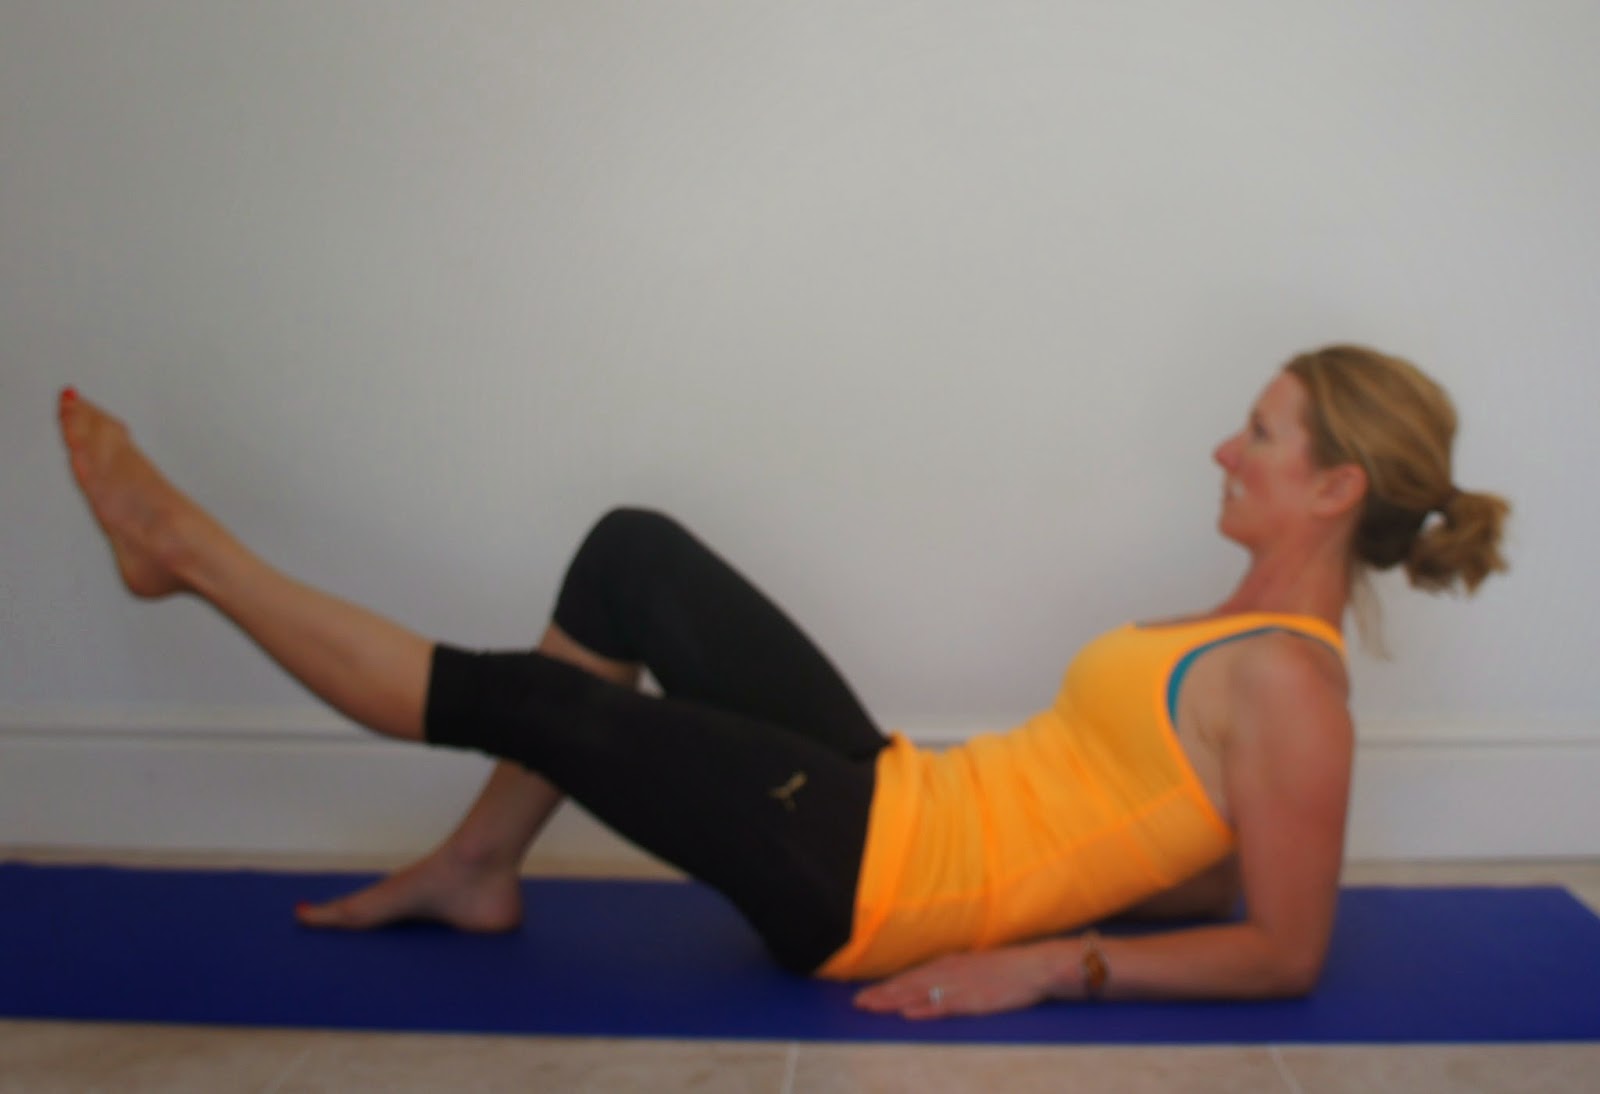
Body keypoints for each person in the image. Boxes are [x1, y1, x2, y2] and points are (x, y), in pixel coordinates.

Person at [56, 344, 1509, 1017]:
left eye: (1260, 434)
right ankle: (478, 866)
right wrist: (1085, 884)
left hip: (877, 887)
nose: (1224, 449)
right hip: (902, 797)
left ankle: (187, 555)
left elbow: (1282, 949)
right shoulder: (1235, 638)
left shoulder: (1295, 690)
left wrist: (1042, 960)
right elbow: (1192, 852)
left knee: (544, 704)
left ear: (1335, 488)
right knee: (634, 553)